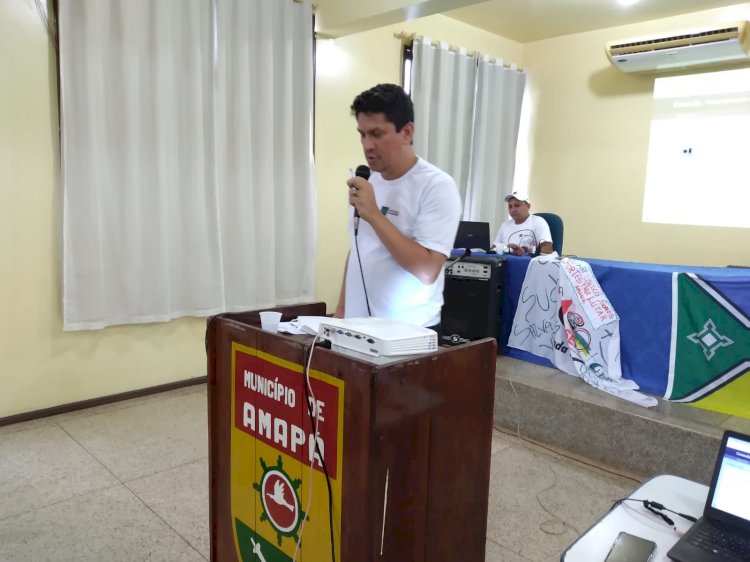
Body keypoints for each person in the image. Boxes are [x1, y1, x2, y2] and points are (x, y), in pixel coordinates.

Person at [334, 84, 462, 330]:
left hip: (407, 333)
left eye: (377, 134)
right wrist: (341, 312)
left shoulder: (436, 186)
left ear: (407, 132)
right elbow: (358, 249)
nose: (368, 145)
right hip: (355, 326)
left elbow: (427, 271)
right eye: (362, 134)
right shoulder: (367, 181)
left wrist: (374, 215)